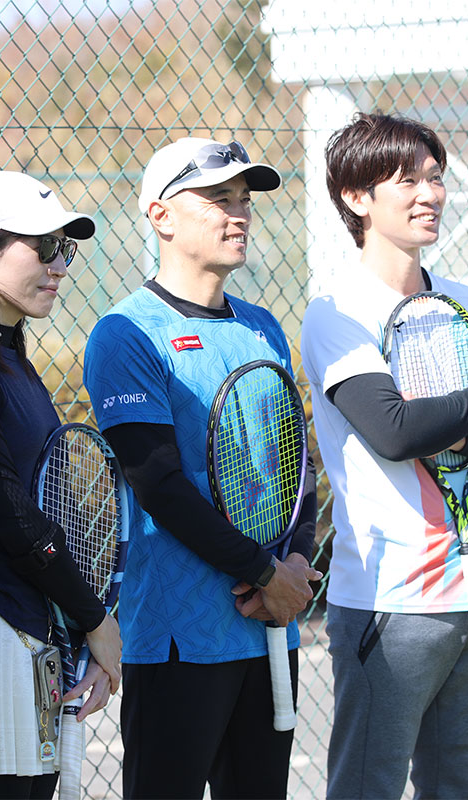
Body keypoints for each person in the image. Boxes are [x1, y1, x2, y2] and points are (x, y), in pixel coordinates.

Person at [300, 112, 468, 799]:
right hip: (389, 599)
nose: (430, 194)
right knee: (367, 789)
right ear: (357, 198)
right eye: (407, 180)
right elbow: (393, 432)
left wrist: (456, 421)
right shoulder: (337, 311)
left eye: (435, 178)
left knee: (461, 789)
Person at [82, 137, 322, 799]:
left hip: (271, 627)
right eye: (218, 198)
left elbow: (295, 466)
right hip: (178, 640)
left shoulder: (263, 326)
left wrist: (295, 565)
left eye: (243, 199)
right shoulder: (126, 333)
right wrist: (264, 573)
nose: (238, 212)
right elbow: (158, 485)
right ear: (160, 216)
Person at [0, 170, 123, 799]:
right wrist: (94, 619)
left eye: (63, 249)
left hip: (35, 635)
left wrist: (81, 624)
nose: (59, 265)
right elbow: (12, 514)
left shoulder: (9, 355)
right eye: (42, 248)